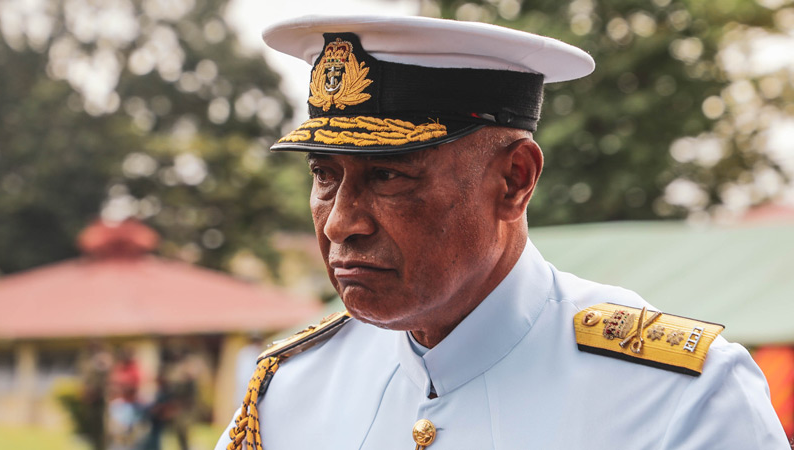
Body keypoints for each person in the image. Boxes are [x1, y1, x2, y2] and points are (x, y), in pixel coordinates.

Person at [216, 15, 789, 449]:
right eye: (324, 175)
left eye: (388, 176)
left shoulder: (681, 398)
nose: (342, 221)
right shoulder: (291, 388)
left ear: (515, 180)